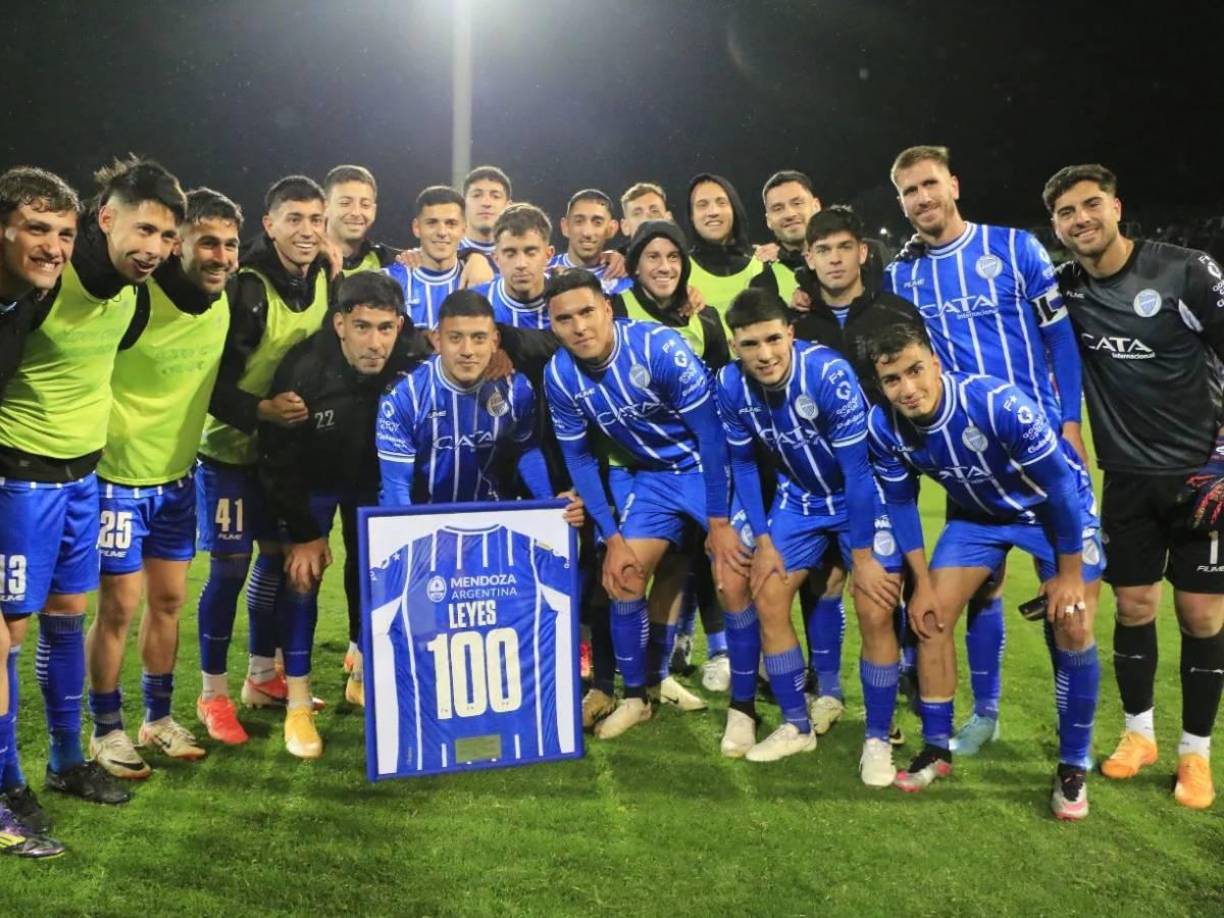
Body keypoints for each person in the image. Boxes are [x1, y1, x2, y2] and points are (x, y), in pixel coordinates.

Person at [883, 145, 1085, 755]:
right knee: (981, 590)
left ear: (954, 185)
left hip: (1037, 446)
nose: (921, 199)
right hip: (966, 454)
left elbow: (1061, 340)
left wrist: (1070, 422)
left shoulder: (1016, 249)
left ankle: (1070, 741)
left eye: (929, 185)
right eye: (909, 192)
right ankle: (986, 714)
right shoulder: (904, 275)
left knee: (1066, 606)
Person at [0, 156, 183, 828]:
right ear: (106, 219)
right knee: (7, 633)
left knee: (67, 615)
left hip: (84, 477)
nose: (154, 250)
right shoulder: (43, 285)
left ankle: (65, 760)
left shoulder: (134, 296)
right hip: (21, 476)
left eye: (167, 238)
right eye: (143, 231)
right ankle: (7, 782)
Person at [866, 321, 1101, 820]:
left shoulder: (996, 402)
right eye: (892, 380)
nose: (907, 389)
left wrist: (1068, 574)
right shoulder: (884, 425)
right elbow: (903, 503)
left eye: (915, 371)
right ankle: (936, 746)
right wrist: (922, 584)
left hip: (1050, 511)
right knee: (928, 619)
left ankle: (1073, 764)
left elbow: (1060, 485)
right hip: (978, 519)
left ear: (935, 362)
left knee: (1074, 623)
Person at [1045, 163, 1224, 810]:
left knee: (1202, 614)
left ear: (1117, 207)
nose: (1081, 219)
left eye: (1090, 204)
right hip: (1126, 480)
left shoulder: (1186, 271)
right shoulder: (1064, 290)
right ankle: (1139, 735)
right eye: (1066, 213)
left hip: (1205, 477)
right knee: (1134, 609)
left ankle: (1195, 754)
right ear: (1058, 228)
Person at [714, 289, 904, 784]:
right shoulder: (731, 385)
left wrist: (861, 555)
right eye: (750, 344)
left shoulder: (827, 374)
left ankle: (878, 738)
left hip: (857, 498)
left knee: (874, 606)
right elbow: (742, 464)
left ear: (790, 333)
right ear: (735, 347)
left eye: (774, 339)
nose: (765, 354)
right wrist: (764, 539)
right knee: (768, 596)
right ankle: (797, 725)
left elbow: (859, 474)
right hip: (799, 499)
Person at [543, 269, 742, 739]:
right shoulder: (560, 375)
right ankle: (637, 697)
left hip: (706, 468)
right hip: (653, 480)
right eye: (564, 319)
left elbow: (713, 437)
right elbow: (579, 460)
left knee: (736, 579)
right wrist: (611, 537)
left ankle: (744, 708)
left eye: (587, 312)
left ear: (607, 309)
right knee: (624, 576)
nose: (579, 327)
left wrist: (717, 519)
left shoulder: (657, 348)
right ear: (552, 325)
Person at [86, 189, 240, 780]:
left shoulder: (224, 303)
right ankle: (105, 729)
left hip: (179, 478)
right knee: (119, 608)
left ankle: (156, 719)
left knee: (170, 603)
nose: (219, 256)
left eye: (228, 245)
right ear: (177, 245)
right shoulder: (135, 300)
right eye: (206, 242)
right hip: (117, 479)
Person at [195, 175, 333, 745]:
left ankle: (260, 677)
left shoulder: (324, 275)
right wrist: (263, 411)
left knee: (277, 562)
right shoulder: (244, 287)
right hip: (228, 448)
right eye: (293, 219)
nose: (306, 230)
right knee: (229, 568)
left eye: (314, 220)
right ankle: (212, 695)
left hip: (283, 455)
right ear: (269, 224)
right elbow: (209, 382)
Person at [259, 271, 420, 754]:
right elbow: (275, 455)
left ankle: (362, 672)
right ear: (339, 323)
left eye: (386, 328)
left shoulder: (412, 357)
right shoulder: (305, 366)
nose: (376, 342)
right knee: (302, 576)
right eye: (363, 327)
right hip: (310, 485)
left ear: (400, 325)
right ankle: (299, 704)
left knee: (378, 573)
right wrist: (305, 533)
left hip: (370, 483)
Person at [790, 205, 926, 732]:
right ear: (809, 257)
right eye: (823, 250)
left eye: (844, 247)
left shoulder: (895, 312)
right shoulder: (797, 322)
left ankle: (885, 706)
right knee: (822, 583)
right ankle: (828, 691)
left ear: (863, 252)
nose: (835, 259)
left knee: (880, 589)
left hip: (884, 474)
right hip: (818, 479)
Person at [610, 219, 731, 698]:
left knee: (680, 568)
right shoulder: (614, 307)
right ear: (635, 263)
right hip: (627, 466)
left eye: (673, 258)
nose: (664, 267)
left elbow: (723, 392)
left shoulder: (705, 319)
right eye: (653, 257)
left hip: (691, 467)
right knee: (621, 572)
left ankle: (658, 675)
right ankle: (616, 676)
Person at [0, 165, 80, 859]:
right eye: (36, 229)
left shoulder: (23, 300)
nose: (53, 246)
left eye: (63, 233)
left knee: (7, 636)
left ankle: (11, 786)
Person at [383, 185, 492, 330]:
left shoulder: (482, 280)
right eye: (432, 223)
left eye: (451, 223)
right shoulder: (387, 281)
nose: (442, 232)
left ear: (463, 230)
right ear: (417, 228)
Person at [686, 173, 764, 313]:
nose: (713, 212)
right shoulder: (679, 269)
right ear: (691, 216)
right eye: (702, 205)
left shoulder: (762, 261)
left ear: (734, 209)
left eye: (721, 202)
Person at [472, 204, 555, 330]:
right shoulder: (475, 304)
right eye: (510, 254)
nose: (521, 264)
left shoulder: (570, 301)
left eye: (530, 253)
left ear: (548, 255)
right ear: (496, 259)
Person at [322, 165, 399, 276]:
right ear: (324, 208)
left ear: (374, 211)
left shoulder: (390, 263)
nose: (356, 213)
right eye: (345, 203)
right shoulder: (302, 261)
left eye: (365, 204)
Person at [549, 189, 629, 294]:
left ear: (611, 229)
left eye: (597, 222)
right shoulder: (543, 273)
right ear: (565, 227)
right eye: (579, 221)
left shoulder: (626, 279)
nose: (587, 233)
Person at [459, 165, 513, 261]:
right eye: (476, 195)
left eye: (495, 196)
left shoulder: (524, 258)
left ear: (508, 207)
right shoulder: (442, 256)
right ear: (463, 204)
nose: (486, 203)